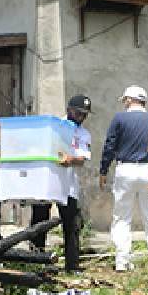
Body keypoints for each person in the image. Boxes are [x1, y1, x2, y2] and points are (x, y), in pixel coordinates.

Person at [100, 85, 148, 271]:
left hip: (125, 170)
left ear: (129, 99)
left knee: (122, 217)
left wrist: (103, 170)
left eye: (125, 100)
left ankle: (122, 261)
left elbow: (110, 145)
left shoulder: (119, 118)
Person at [30, 94, 93, 272]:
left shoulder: (83, 134)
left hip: (69, 185)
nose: (81, 118)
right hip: (48, 181)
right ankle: (36, 258)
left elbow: (82, 158)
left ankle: (72, 266)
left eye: (84, 115)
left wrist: (70, 159)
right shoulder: (53, 126)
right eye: (79, 113)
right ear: (69, 110)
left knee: (71, 224)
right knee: (40, 220)